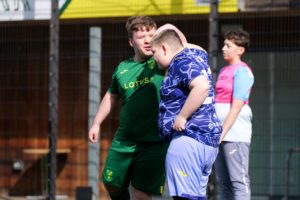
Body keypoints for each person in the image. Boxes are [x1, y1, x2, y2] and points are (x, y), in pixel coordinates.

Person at [88, 16, 189, 200]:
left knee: (141, 194)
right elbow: (111, 95)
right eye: (142, 36)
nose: (148, 40)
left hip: (154, 142)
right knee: (111, 183)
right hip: (125, 139)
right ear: (130, 41)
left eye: (152, 34)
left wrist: (168, 27)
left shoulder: (163, 61)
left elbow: (183, 46)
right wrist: (96, 123)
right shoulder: (123, 68)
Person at [150, 29, 222, 200]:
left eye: (154, 52)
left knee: (184, 197)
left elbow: (202, 86)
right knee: (196, 197)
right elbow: (194, 47)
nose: (153, 58)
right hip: (208, 142)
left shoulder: (179, 63)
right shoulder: (197, 56)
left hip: (188, 140)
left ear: (165, 48)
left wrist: (182, 116)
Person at [214, 30, 254, 200]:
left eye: (228, 46)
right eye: (223, 44)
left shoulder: (243, 72)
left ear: (240, 50)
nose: (223, 48)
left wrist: (222, 132)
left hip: (234, 134)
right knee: (223, 183)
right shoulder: (223, 70)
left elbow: (237, 106)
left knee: (238, 182)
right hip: (220, 134)